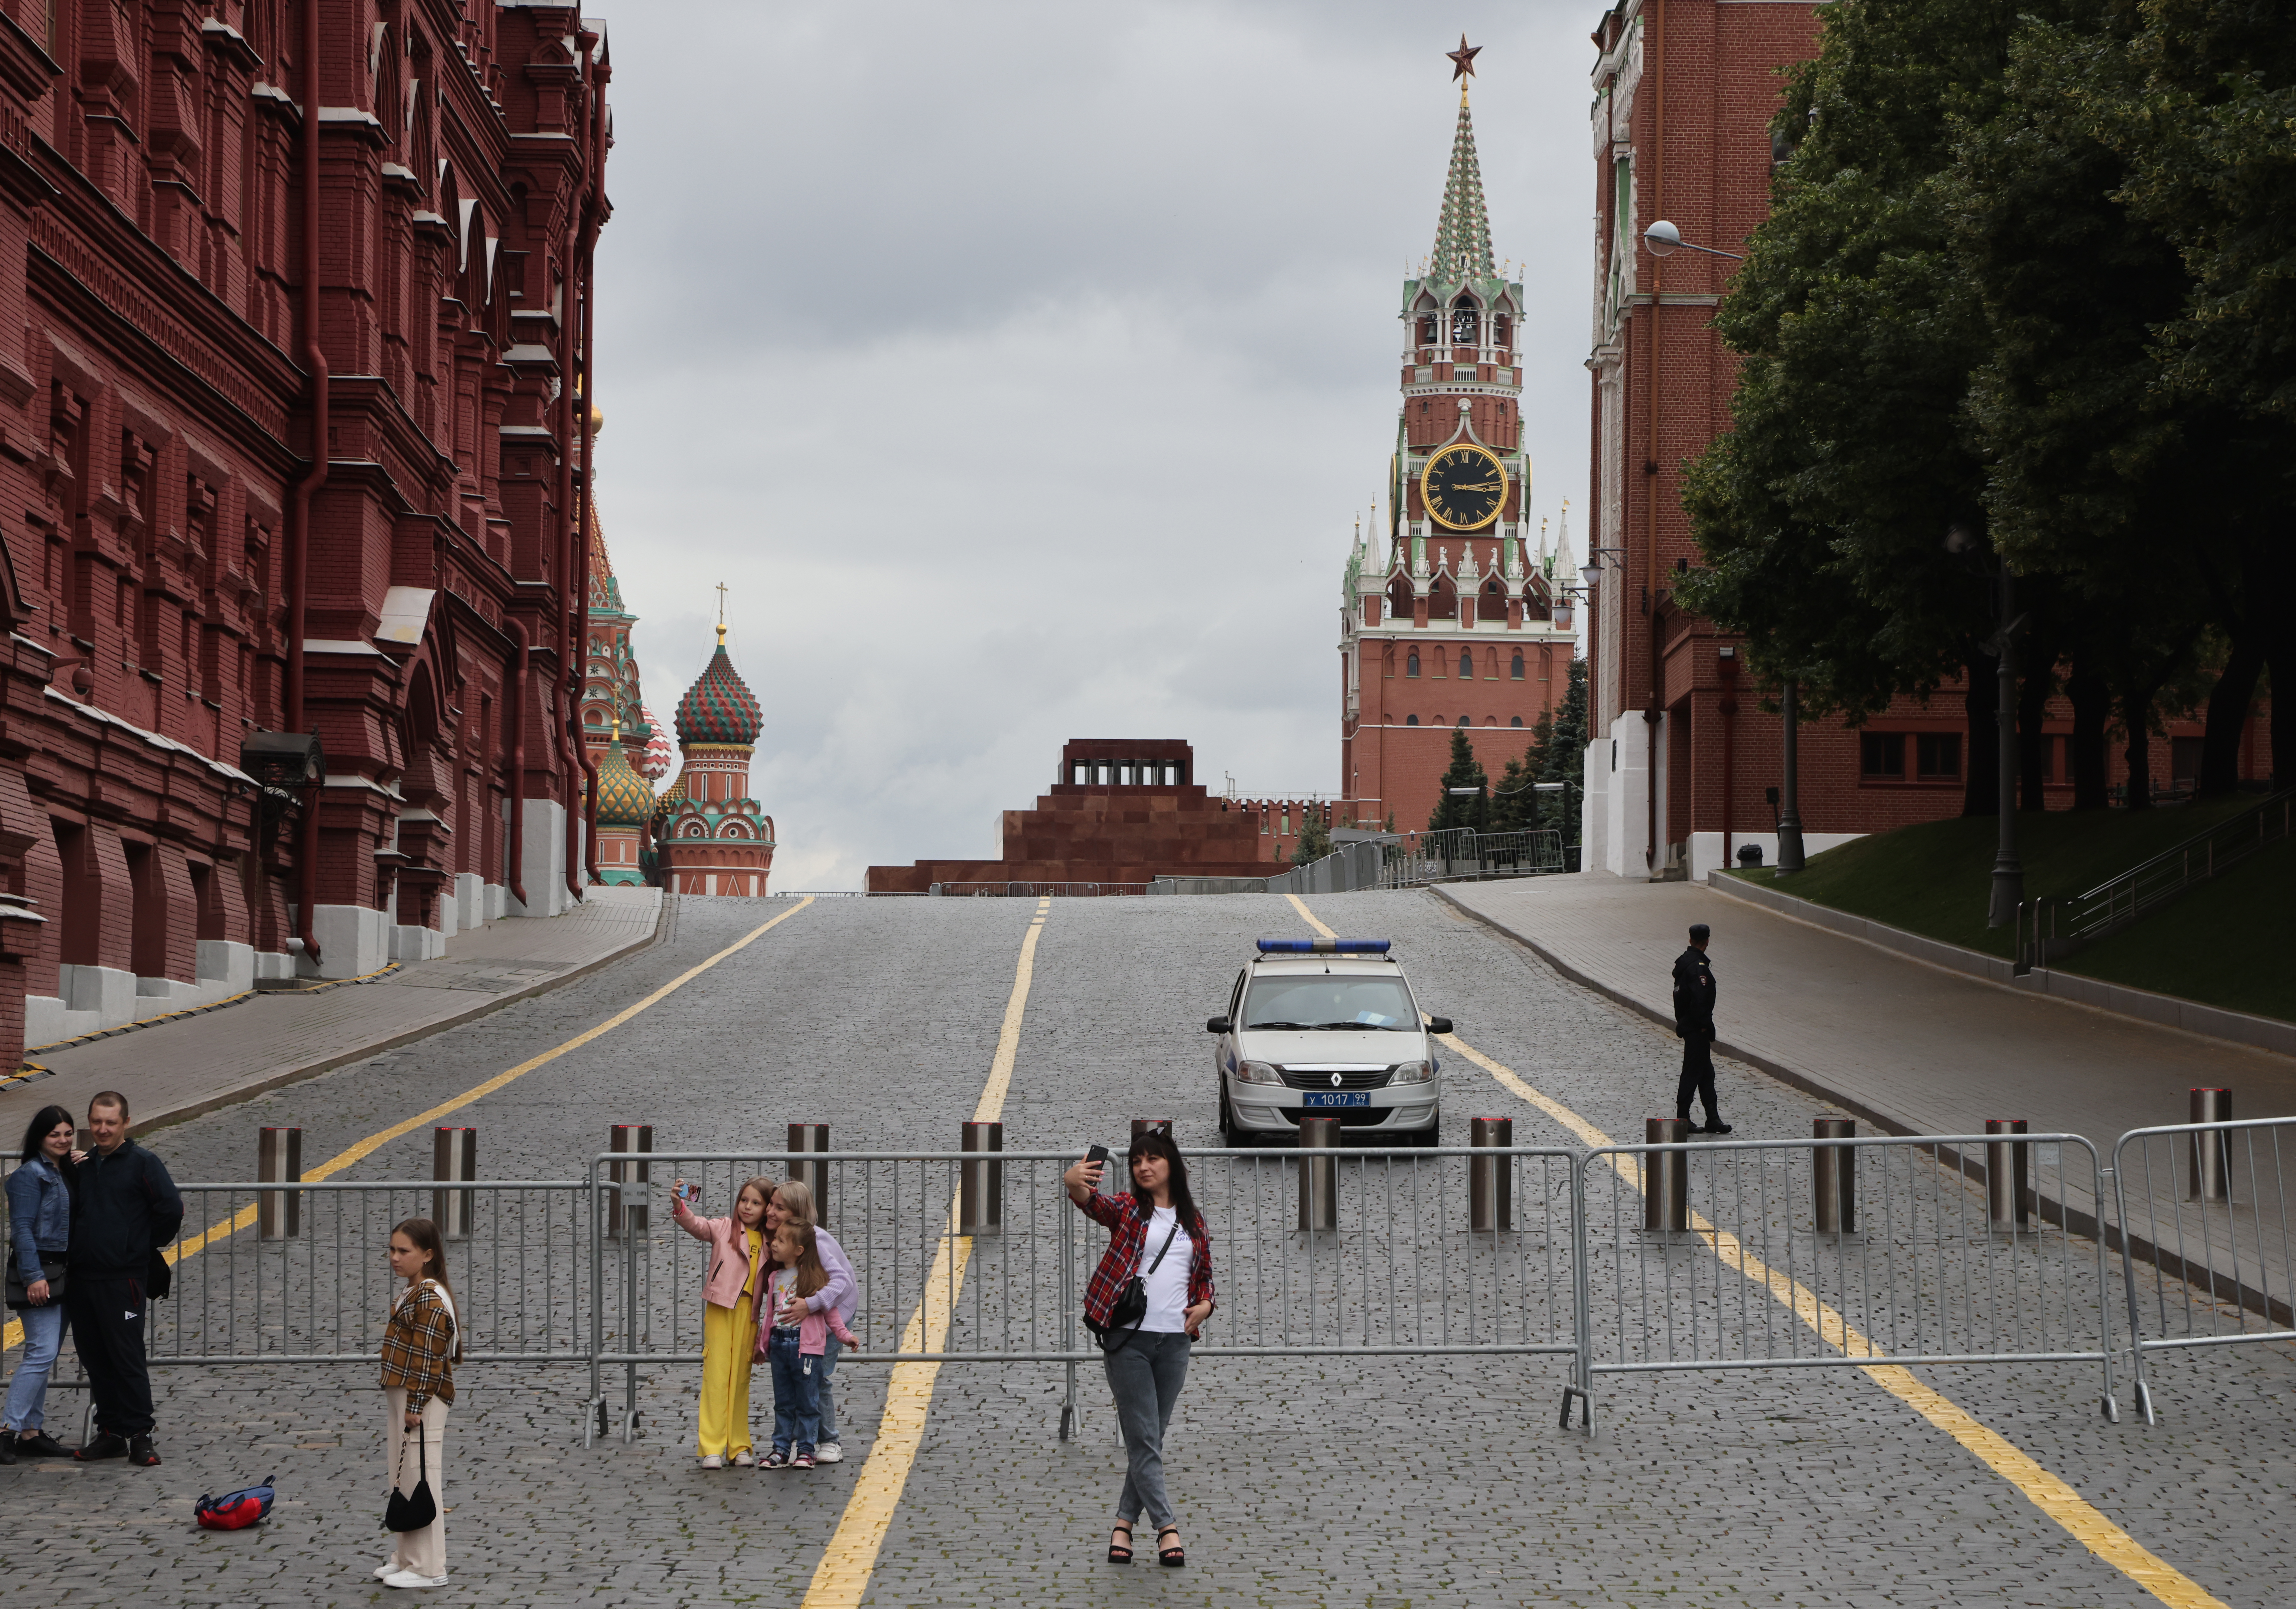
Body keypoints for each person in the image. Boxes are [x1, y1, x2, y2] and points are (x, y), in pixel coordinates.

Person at [1062, 1130, 1215, 1569]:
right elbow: (1091, 1202)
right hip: (1128, 1341)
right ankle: (1167, 1529)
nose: (1143, 1167)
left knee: (1149, 1439)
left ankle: (1123, 1525)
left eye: (1152, 1159)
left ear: (1172, 1165)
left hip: (1175, 1342)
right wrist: (1073, 1180)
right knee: (1145, 1439)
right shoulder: (1130, 1211)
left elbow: (1204, 1277)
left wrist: (1205, 1305)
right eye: (1136, 1161)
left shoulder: (1194, 1221)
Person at [66, 1091, 182, 1466]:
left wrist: (139, 1246)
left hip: (124, 1279)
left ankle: (141, 1435)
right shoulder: (82, 1167)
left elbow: (170, 1209)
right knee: (95, 1358)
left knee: (126, 1357)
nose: (102, 1129)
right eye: (97, 1121)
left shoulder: (144, 1163)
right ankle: (111, 1433)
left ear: (126, 1123)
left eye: (110, 1122)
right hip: (83, 1278)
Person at [377, 1217, 459, 1589]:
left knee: (423, 1476)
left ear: (427, 1255)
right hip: (404, 1392)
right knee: (405, 1476)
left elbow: (429, 1355)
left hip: (419, 1395)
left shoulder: (428, 1295)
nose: (394, 1257)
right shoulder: (416, 1290)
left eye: (403, 1251)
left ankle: (430, 1567)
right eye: (392, 1249)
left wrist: (416, 1402)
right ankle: (408, 1557)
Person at [670, 1175, 773, 1468]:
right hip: (720, 1308)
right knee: (716, 1376)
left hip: (748, 1314)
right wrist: (680, 1206)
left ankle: (738, 1445)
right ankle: (712, 1447)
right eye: (744, 1200)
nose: (748, 1207)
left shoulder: (769, 1240)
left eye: (756, 1203)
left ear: (766, 1208)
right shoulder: (725, 1227)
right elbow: (697, 1226)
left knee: (740, 1380)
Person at [4, 1105, 79, 1462]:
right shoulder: (29, 1175)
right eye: (55, 1134)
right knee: (42, 1352)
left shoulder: (65, 1171)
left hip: (65, 1273)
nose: (63, 1140)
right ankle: (7, 1429)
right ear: (40, 1137)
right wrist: (33, 1276)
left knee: (44, 1354)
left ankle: (31, 1432)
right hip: (41, 1273)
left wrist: (85, 1162)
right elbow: (21, 1230)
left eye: (68, 1133)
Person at [765, 1179, 856, 1463]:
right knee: (798, 1382)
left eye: (779, 1208)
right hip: (798, 1324)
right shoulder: (781, 1237)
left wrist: (811, 1305)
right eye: (770, 1204)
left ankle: (830, 1441)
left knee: (817, 1380)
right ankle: (800, 1441)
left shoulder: (814, 1240)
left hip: (832, 1316)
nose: (770, 1211)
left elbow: (841, 1281)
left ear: (796, 1213)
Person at [1672, 923, 1731, 1135]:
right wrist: (1705, 1025)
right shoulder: (1698, 967)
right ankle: (1683, 1118)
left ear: (1690, 940)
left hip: (1690, 1025)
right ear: (1707, 941)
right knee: (1692, 1072)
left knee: (1706, 1074)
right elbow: (1700, 999)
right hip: (1697, 1028)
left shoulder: (1684, 964)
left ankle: (1713, 1119)